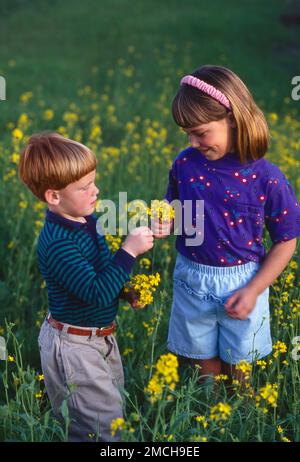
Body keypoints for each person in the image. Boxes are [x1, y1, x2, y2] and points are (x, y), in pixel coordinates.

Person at [153, 65, 300, 384]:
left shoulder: (267, 178)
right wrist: (164, 217)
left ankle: (242, 423)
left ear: (232, 119)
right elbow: (174, 203)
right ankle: (210, 421)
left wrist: (254, 289)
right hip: (192, 277)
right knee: (203, 367)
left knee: (241, 368)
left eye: (201, 132)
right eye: (187, 133)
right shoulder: (185, 163)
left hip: (244, 281)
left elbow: (286, 239)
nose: (192, 142)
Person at [18, 132, 154, 442]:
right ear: (54, 196)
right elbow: (95, 293)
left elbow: (100, 272)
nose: (96, 191)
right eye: (84, 188)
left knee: (111, 416)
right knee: (97, 431)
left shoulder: (86, 220)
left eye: (93, 182)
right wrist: (129, 251)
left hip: (100, 338)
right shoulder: (57, 243)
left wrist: (124, 290)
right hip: (74, 347)